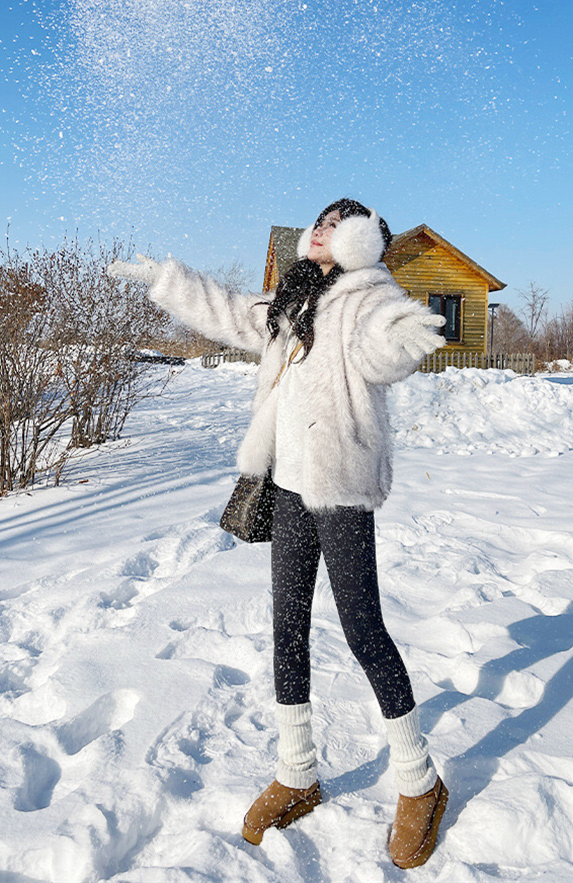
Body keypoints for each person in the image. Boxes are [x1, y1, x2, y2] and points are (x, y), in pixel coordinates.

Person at [109, 198, 448, 869]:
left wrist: (405, 335)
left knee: (363, 630)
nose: (319, 229)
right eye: (317, 220)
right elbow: (233, 312)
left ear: (359, 238)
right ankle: (298, 772)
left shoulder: (368, 296)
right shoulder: (296, 299)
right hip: (287, 483)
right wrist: (168, 280)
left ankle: (420, 783)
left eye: (337, 222)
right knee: (286, 627)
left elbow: (383, 346)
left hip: (341, 485)